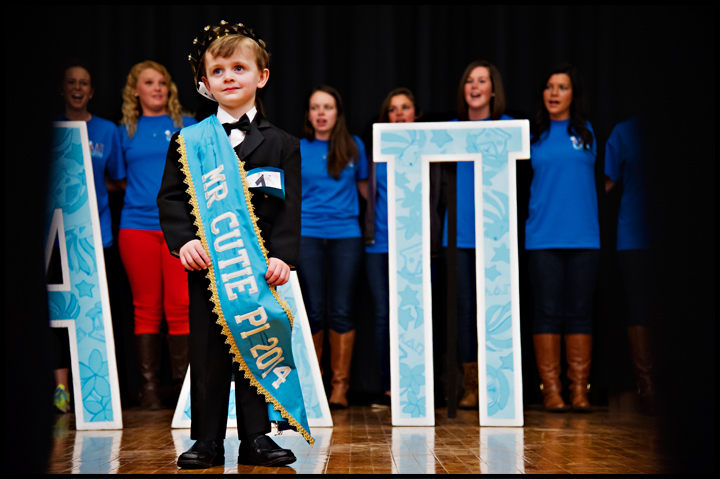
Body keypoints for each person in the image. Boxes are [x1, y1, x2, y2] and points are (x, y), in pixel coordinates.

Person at [157, 21, 307, 468]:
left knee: (254, 350)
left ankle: (257, 438)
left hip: (256, 271)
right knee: (207, 356)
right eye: (217, 71)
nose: (228, 77)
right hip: (208, 269)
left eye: (238, 67)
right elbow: (170, 198)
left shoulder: (283, 144)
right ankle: (206, 440)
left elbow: (288, 207)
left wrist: (282, 254)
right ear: (204, 83)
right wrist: (183, 242)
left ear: (260, 76)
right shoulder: (189, 141)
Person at [116, 60, 197, 409]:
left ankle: (183, 391)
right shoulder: (123, 131)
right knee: (146, 307)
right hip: (136, 228)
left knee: (180, 306)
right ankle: (149, 390)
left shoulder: (189, 125)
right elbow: (118, 178)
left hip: (180, 229)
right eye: (149, 83)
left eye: (163, 82)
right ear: (136, 90)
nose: (158, 88)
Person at [526, 64, 599, 413]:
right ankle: (551, 392)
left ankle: (579, 391)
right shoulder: (532, 136)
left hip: (585, 237)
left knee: (580, 314)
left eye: (562, 87)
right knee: (547, 312)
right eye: (549, 86)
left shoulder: (587, 134)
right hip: (542, 237)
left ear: (574, 94)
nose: (554, 93)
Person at [442, 60, 514, 409]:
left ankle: (500, 387)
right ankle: (472, 388)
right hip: (457, 236)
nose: (474, 86)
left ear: (493, 90)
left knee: (499, 311)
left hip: (498, 236)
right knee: (464, 314)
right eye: (469, 80)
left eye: (482, 81)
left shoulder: (509, 128)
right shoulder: (449, 129)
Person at [52, 61, 123, 413]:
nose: (77, 88)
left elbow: (117, 180)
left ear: (92, 91)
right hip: (54, 238)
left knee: (94, 313)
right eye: (71, 82)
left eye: (84, 83)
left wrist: (92, 192)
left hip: (97, 235)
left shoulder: (108, 131)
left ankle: (97, 393)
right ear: (62, 89)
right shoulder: (49, 129)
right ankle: (61, 391)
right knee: (56, 314)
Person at [298, 85, 368, 409]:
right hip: (308, 235)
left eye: (327, 107)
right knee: (312, 311)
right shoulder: (296, 147)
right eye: (315, 107)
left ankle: (339, 388)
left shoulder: (354, 147)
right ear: (309, 114)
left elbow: (369, 191)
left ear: (337, 113)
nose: (321, 113)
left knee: (341, 309)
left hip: (346, 236)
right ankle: (314, 386)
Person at [365, 88, 422, 407]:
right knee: (384, 316)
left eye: (405, 108)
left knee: (416, 315)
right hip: (379, 245)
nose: (399, 114)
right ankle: (389, 386)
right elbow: (367, 193)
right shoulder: (375, 152)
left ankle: (418, 385)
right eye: (392, 109)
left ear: (417, 113)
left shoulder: (431, 151)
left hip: (416, 247)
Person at [604, 117, 657, 415]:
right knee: (639, 306)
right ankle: (648, 388)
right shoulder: (624, 131)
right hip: (634, 234)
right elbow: (605, 184)